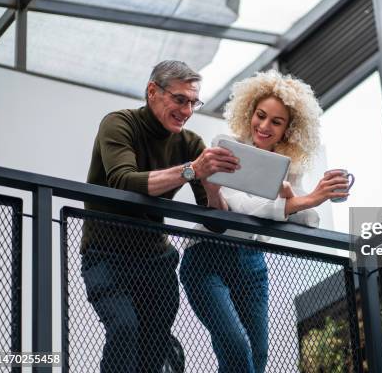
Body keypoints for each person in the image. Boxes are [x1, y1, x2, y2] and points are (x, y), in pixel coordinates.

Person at [179, 70, 351, 373]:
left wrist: (302, 197)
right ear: (249, 113)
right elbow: (239, 207)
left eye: (276, 121)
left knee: (257, 358)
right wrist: (302, 199)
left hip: (251, 263)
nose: (265, 126)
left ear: (288, 129)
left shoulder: (289, 169)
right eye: (260, 116)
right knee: (235, 345)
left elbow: (308, 221)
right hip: (206, 256)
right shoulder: (226, 151)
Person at [81, 60, 239, 372]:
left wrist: (210, 184)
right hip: (106, 254)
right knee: (124, 329)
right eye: (180, 100)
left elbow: (216, 222)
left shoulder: (190, 143)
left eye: (193, 102)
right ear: (152, 91)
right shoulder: (119, 123)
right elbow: (124, 181)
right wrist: (191, 170)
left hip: (156, 260)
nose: (187, 110)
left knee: (154, 343)